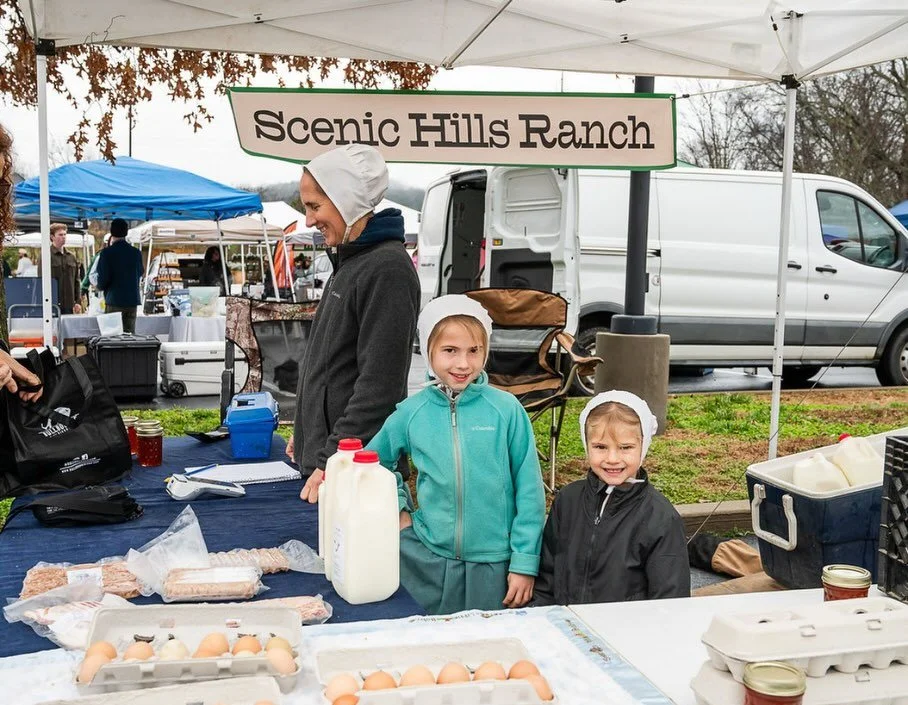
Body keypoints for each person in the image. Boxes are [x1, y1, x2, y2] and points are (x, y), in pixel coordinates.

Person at [367, 295, 546, 614]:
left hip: (494, 565)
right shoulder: (411, 412)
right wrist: (399, 511)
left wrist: (524, 562)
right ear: (428, 351)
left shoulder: (506, 411)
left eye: (474, 351)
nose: (463, 364)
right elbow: (370, 463)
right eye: (450, 350)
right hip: (428, 558)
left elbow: (530, 492)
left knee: (488, 656)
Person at [286, 144, 419, 502]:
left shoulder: (387, 269)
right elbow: (333, 364)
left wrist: (331, 458)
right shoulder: (350, 261)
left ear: (348, 201)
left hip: (357, 472)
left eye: (315, 207)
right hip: (336, 463)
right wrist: (306, 428)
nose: (309, 220)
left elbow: (379, 388)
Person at [533, 390, 690, 605]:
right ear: (586, 444)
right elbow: (547, 577)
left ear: (643, 447)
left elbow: (671, 601)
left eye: (625, 448)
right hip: (567, 628)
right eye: (600, 447)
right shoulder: (567, 501)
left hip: (625, 634)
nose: (612, 459)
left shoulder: (661, 517)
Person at [95, 218, 143, 333]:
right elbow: (141, 272)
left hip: (114, 300)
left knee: (113, 337)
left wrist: (99, 286)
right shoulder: (136, 253)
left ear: (111, 232)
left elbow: (103, 279)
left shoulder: (107, 253)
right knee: (129, 336)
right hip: (132, 300)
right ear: (126, 232)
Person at [48, 223, 82, 314]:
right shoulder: (46, 256)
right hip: (53, 304)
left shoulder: (71, 256)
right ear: (52, 237)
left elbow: (77, 281)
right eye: (60, 235)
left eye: (65, 234)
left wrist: (78, 301)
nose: (63, 237)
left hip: (69, 305)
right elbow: (41, 281)